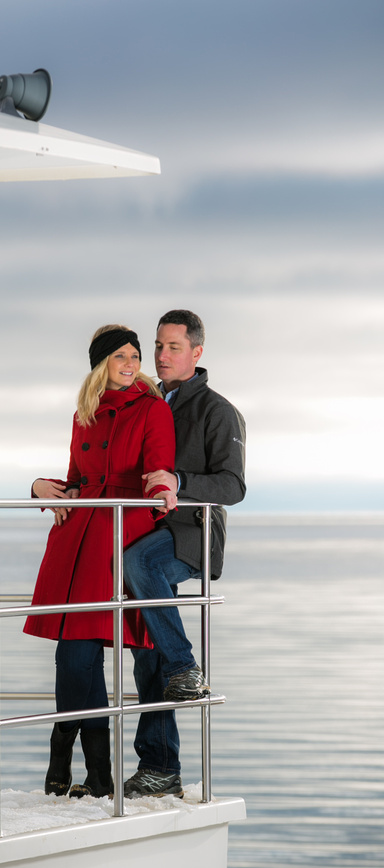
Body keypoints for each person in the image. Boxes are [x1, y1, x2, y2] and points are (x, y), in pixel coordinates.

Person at [24, 324, 177, 799]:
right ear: (100, 365)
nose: (131, 364)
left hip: (120, 535)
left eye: (135, 356)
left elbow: (158, 465)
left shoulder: (152, 409)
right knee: (74, 658)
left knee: (88, 649)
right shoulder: (83, 414)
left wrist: (162, 490)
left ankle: (83, 770)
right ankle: (84, 767)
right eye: (120, 357)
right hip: (76, 539)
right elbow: (75, 478)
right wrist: (40, 486)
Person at [122, 309, 246, 799]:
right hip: (146, 527)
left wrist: (180, 482)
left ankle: (185, 667)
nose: (161, 355)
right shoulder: (146, 403)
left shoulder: (217, 411)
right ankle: (160, 767)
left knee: (141, 564)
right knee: (145, 655)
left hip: (191, 534)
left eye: (173, 346)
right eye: (158, 346)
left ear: (197, 352)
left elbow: (233, 485)